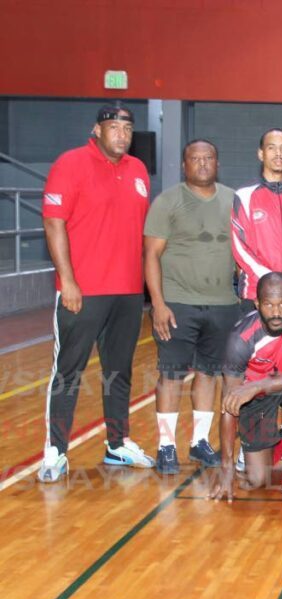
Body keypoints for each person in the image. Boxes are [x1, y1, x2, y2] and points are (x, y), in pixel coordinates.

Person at [39, 103, 153, 482]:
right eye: (113, 126)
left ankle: (117, 444)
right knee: (68, 373)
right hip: (82, 291)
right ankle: (55, 452)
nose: (122, 133)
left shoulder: (138, 171)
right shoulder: (69, 164)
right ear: (97, 130)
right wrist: (68, 280)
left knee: (119, 372)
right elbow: (54, 224)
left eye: (127, 128)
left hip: (126, 291)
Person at [144, 139, 237, 474]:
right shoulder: (167, 202)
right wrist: (158, 303)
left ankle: (199, 442)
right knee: (171, 375)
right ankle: (166, 447)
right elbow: (151, 255)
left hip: (224, 304)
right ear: (184, 165)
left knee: (209, 373)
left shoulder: (232, 200)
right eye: (194, 159)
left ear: (217, 162)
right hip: (177, 304)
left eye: (208, 158)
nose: (201, 164)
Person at [208, 273, 282, 505]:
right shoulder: (240, 339)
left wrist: (259, 384)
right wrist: (226, 469)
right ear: (257, 304)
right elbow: (228, 407)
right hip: (255, 399)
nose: (276, 312)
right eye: (268, 305)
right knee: (258, 479)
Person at [231, 129, 282, 303]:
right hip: (257, 294)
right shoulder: (244, 196)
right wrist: (272, 283)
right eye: (272, 148)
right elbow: (240, 248)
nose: (278, 153)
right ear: (261, 154)